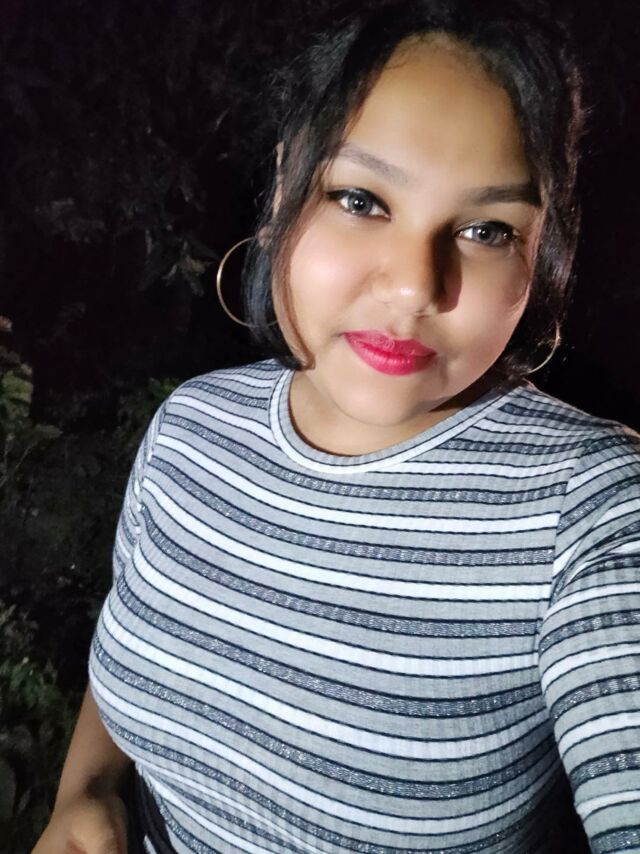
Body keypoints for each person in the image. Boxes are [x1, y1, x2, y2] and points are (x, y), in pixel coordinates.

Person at [34, 1, 640, 852]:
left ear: (538, 257)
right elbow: (136, 626)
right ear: (287, 186)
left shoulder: (591, 509)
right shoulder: (190, 429)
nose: (414, 286)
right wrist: (84, 790)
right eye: (361, 198)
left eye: (486, 230)